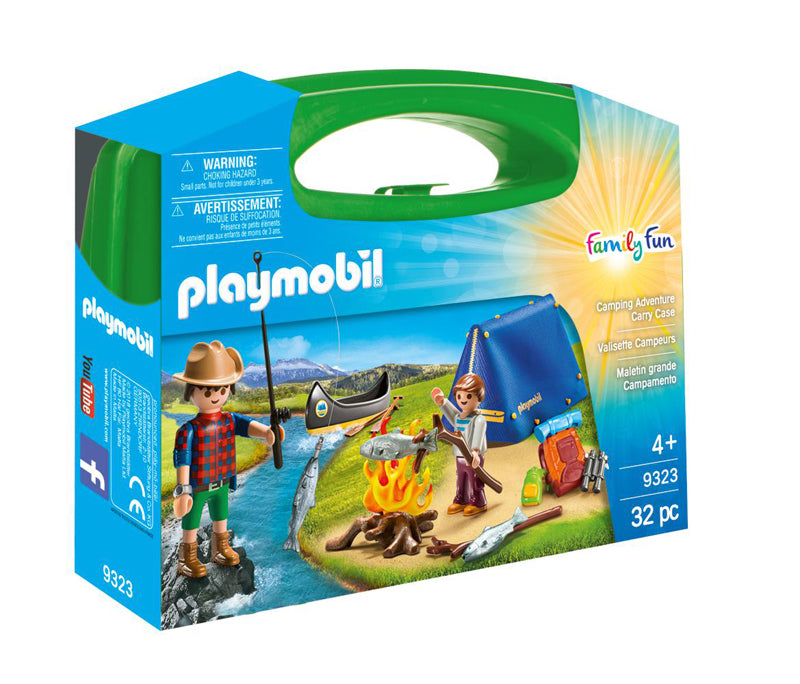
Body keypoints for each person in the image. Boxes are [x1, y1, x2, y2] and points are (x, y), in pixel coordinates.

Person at [171, 340, 283, 578]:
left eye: (222, 390)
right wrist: (183, 491)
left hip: (221, 481)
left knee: (221, 515)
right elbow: (183, 459)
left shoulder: (229, 420)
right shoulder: (188, 430)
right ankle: (187, 558)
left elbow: (246, 425)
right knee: (191, 520)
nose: (215, 396)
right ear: (192, 391)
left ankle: (220, 548)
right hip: (198, 486)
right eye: (208, 391)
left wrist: (267, 432)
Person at [431, 373, 489, 516]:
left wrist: (475, 451)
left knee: (475, 479)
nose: (463, 400)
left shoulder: (479, 419)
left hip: (472, 456)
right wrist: (442, 402)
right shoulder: (459, 417)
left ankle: (478, 500)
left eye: (468, 396)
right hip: (460, 456)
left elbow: (478, 435)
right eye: (459, 396)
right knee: (461, 478)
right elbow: (452, 415)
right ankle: (461, 498)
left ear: (479, 397)